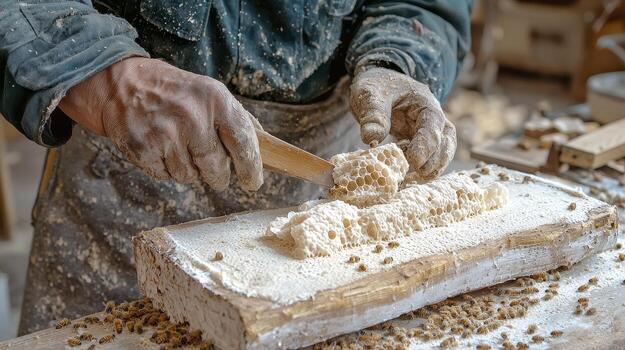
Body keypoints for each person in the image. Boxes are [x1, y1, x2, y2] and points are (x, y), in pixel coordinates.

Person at [0, 0, 472, 334]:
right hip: (120, 184)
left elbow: (425, 5)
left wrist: (402, 57)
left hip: (316, 202)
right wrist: (111, 80)